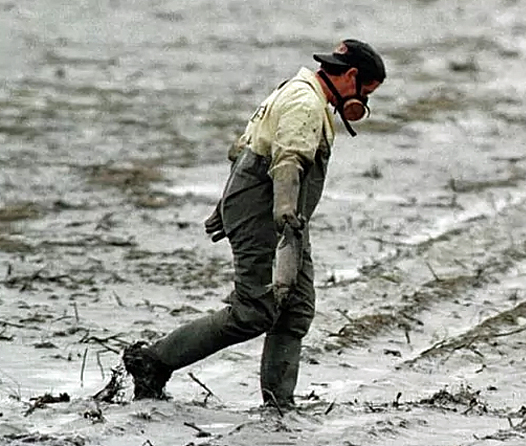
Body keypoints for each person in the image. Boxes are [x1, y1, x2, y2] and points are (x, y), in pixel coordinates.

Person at [122, 39, 386, 408]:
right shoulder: (306, 103)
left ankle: (279, 404)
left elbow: (244, 148)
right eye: (367, 92)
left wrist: (228, 204)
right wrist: (283, 216)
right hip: (272, 211)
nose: (365, 104)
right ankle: (152, 361)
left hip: (276, 210)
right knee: (254, 310)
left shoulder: (297, 90)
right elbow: (287, 161)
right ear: (351, 77)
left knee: (294, 309)